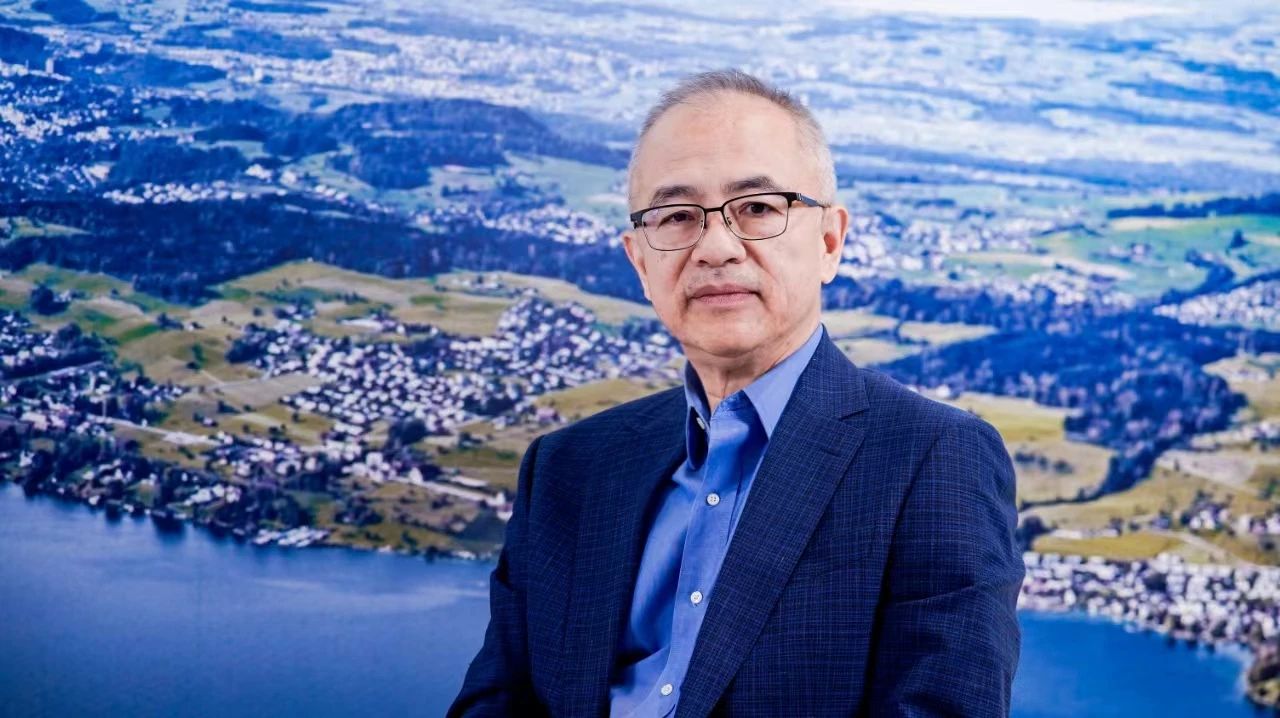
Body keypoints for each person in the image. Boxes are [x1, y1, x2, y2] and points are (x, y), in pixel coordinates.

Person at [450, 68, 1024, 717]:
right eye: (677, 216)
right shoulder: (568, 467)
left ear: (830, 242)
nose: (716, 248)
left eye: (757, 208)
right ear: (640, 262)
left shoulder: (931, 459)